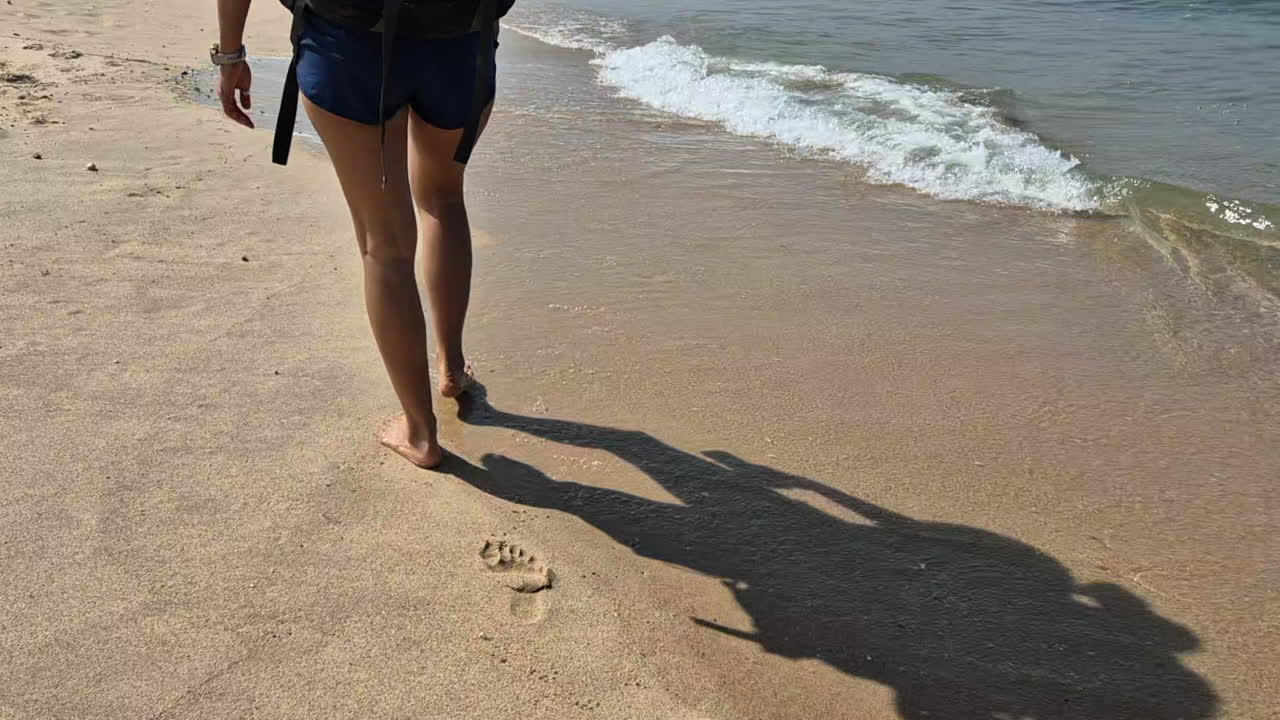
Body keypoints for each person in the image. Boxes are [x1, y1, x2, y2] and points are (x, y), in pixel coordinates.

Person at [214, 0, 506, 469]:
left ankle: (421, 433)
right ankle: (451, 367)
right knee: (443, 200)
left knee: (384, 245)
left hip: (348, 45)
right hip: (459, 40)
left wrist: (230, 55)